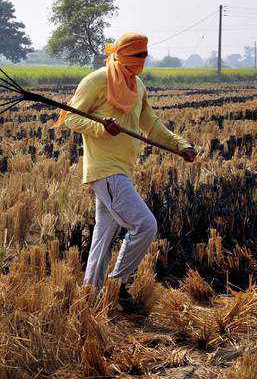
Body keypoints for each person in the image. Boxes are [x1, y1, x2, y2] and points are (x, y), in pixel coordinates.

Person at [58, 32, 196, 311]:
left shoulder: (137, 86)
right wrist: (100, 126)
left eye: (145, 56)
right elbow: (70, 117)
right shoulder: (97, 80)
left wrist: (180, 145)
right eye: (137, 56)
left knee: (103, 235)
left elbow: (152, 125)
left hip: (123, 169)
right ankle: (116, 284)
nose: (142, 62)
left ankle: (90, 295)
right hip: (106, 170)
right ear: (122, 55)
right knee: (145, 225)